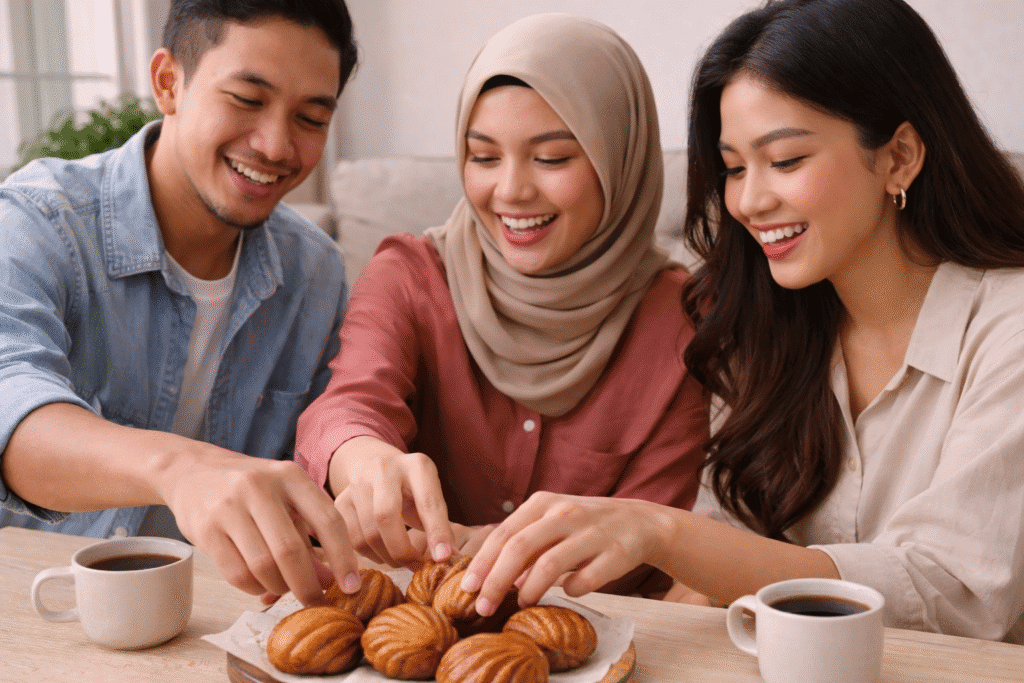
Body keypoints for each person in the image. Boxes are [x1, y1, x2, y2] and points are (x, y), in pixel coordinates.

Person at [461, 0, 1024, 643]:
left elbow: (954, 594)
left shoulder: (1009, 332)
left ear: (898, 157)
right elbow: (723, 553)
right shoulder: (761, 327)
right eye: (733, 168)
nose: (749, 201)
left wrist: (660, 531)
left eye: (784, 161)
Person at [294, 13, 708, 597]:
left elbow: (650, 544)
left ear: (619, 161)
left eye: (552, 158)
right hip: (414, 620)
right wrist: (358, 455)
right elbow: (349, 404)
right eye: (484, 157)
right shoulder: (409, 275)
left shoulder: (683, 320)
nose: (510, 191)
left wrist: (485, 548)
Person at [0, 0, 364, 606]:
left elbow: (327, 437)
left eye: (310, 118)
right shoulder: (39, 220)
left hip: (211, 619)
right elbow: (9, 405)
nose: (277, 145)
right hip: (33, 611)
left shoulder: (314, 273)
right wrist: (178, 468)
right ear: (169, 82)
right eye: (246, 100)